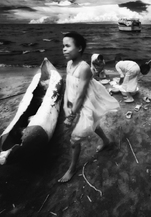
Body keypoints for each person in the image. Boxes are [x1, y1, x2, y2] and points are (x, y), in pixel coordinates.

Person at [60, 31, 120, 183]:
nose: (64, 49)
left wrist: (71, 116)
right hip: (74, 104)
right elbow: (69, 86)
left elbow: (81, 95)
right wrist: (67, 101)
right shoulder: (69, 64)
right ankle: (106, 141)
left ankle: (72, 168)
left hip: (84, 105)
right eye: (63, 46)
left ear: (79, 48)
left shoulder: (84, 68)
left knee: (74, 140)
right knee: (94, 123)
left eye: (67, 46)